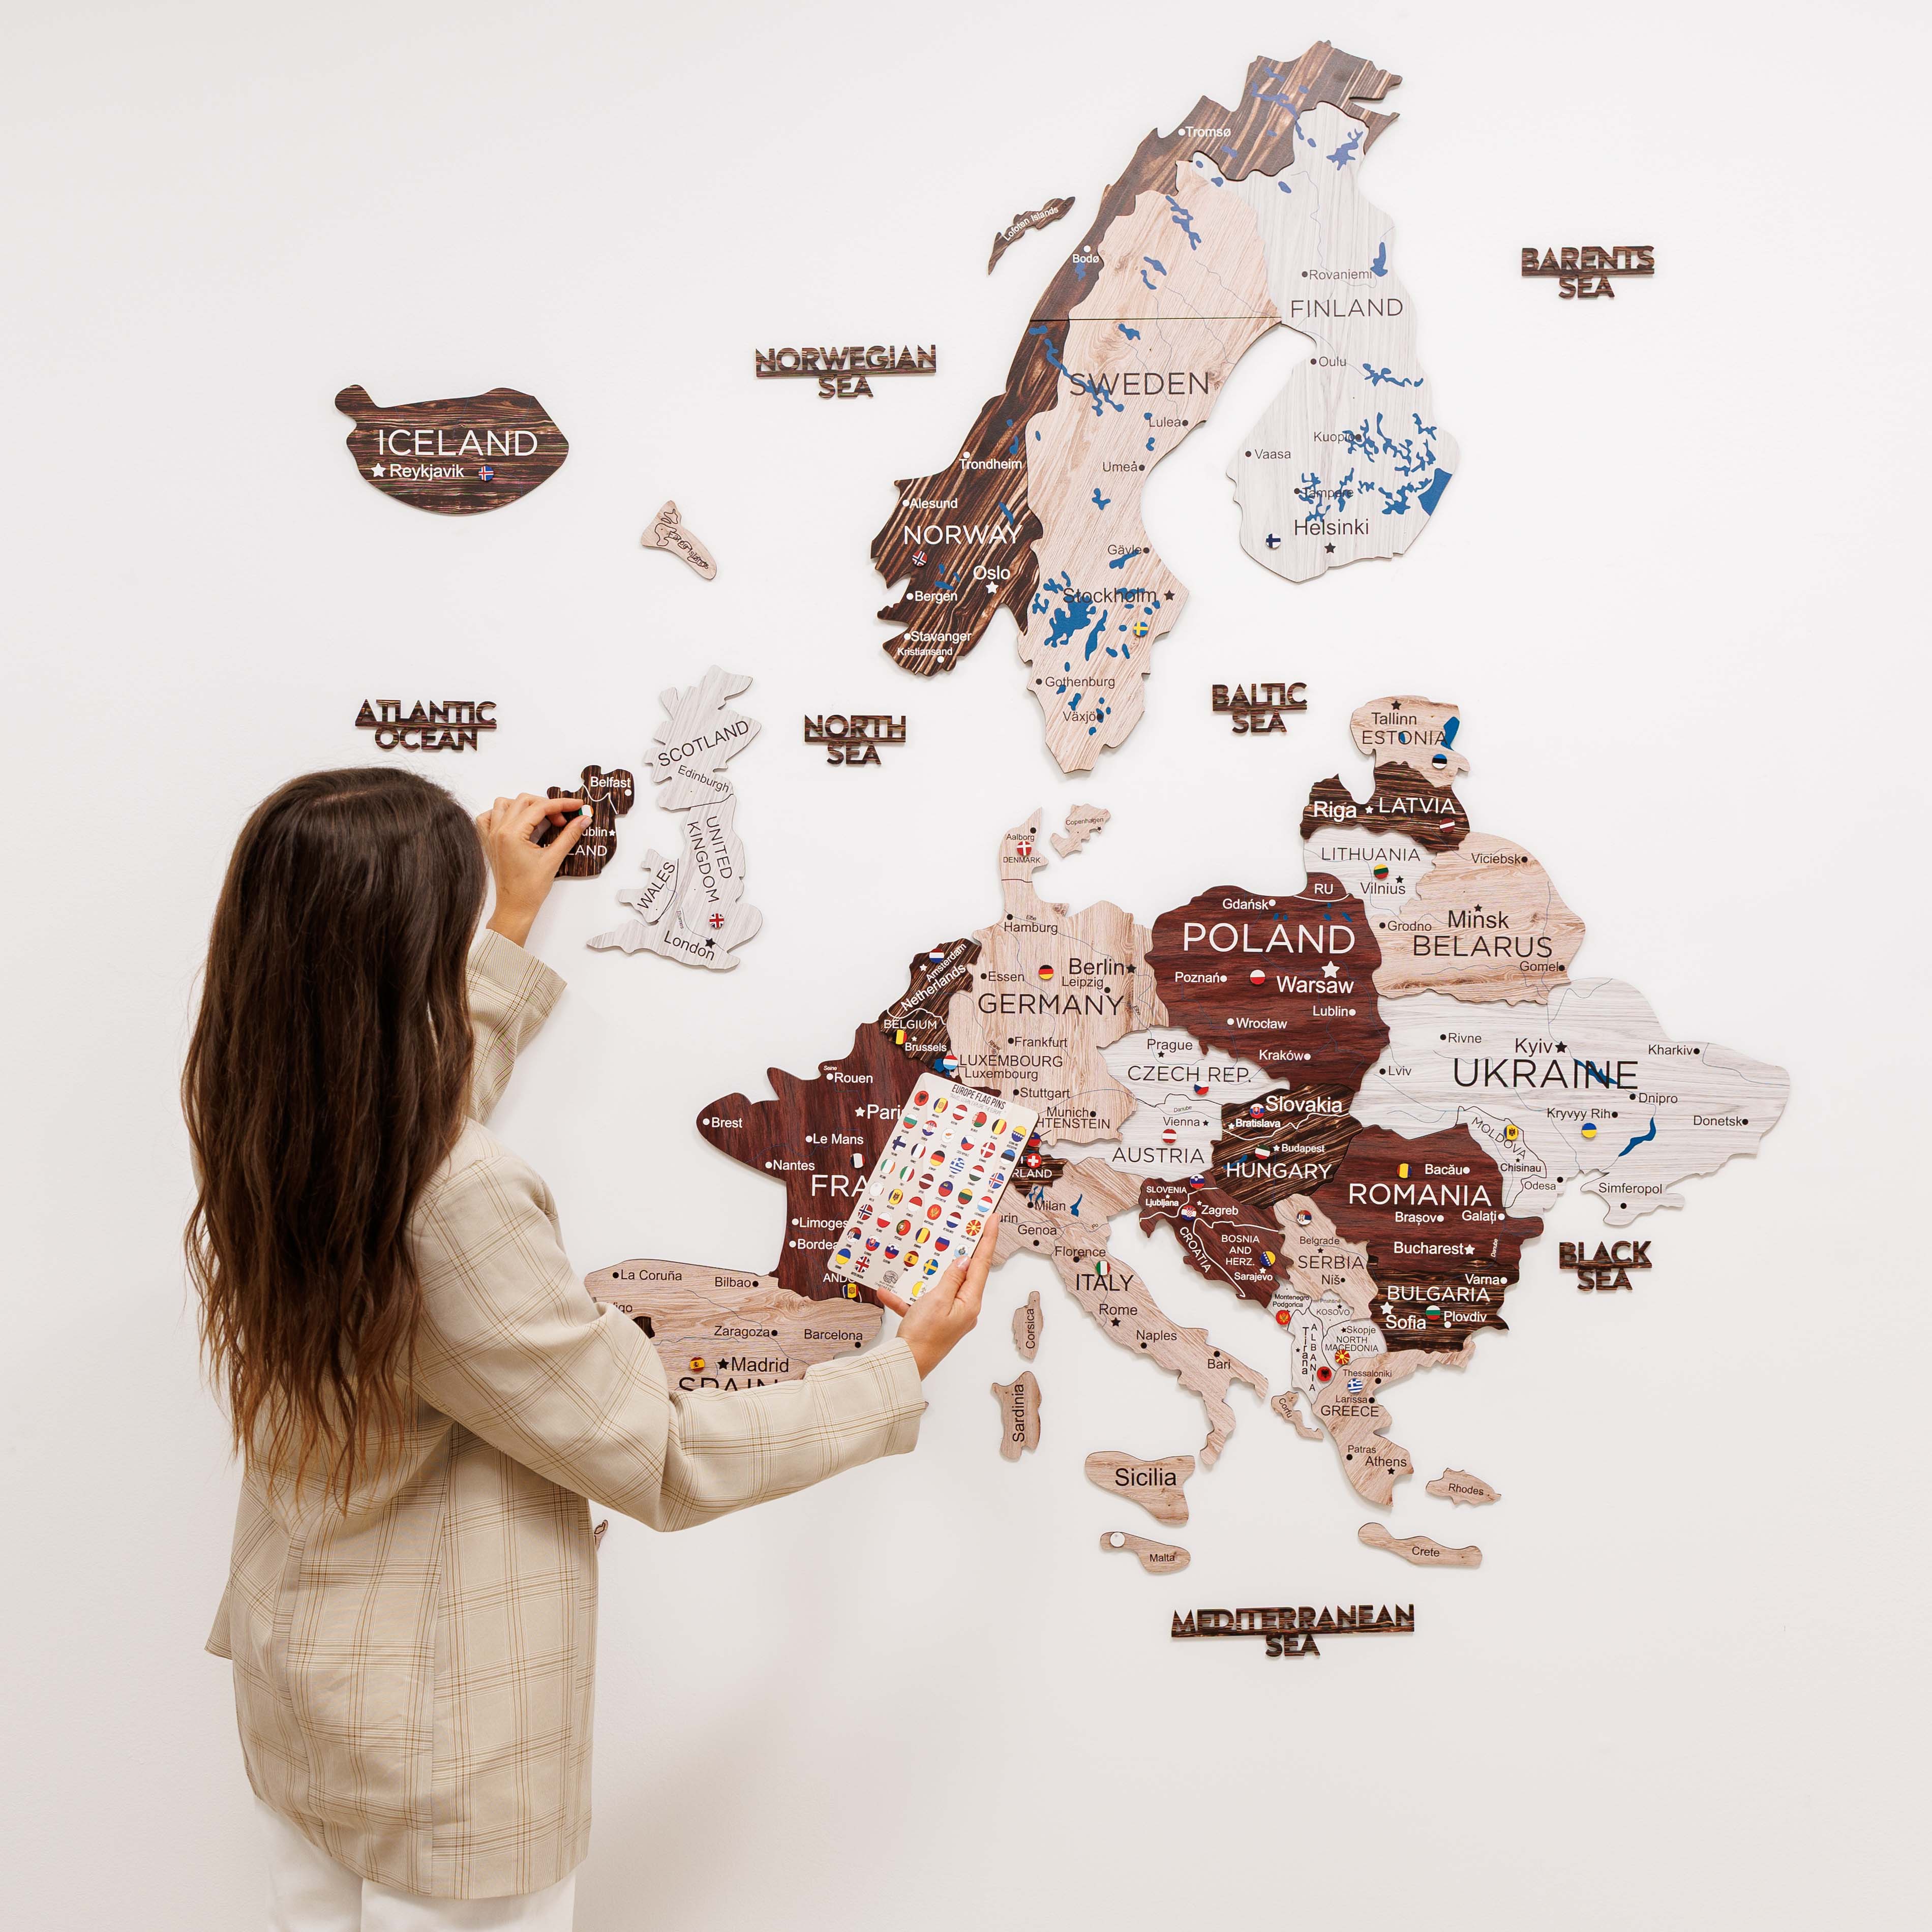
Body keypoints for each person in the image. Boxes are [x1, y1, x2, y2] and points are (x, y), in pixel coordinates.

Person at [185, 770, 988, 1929]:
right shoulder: (458, 1200)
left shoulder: (261, 1110)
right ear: (406, 948)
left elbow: (405, 1115)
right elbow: (655, 1457)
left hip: (309, 1687)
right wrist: (897, 1370)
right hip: (441, 1749)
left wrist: (507, 932)